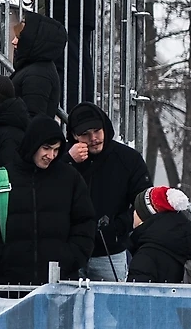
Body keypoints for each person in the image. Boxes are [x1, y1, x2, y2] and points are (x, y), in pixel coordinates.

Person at [0, 120, 98, 285]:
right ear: (32, 145)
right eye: (46, 148)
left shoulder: (69, 178)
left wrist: (71, 258)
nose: (51, 155)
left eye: (56, 150)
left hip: (59, 279)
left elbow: (85, 222)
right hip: (11, 282)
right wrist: (2, 259)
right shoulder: (2, 178)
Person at [65, 102, 151, 281]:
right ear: (74, 135)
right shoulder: (63, 158)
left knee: (112, 306)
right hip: (69, 251)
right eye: (85, 134)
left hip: (110, 251)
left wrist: (117, 229)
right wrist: (68, 160)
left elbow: (144, 202)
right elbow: (43, 187)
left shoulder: (127, 159)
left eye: (97, 130)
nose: (93, 138)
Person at [127, 187, 191, 284]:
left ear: (145, 215)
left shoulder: (145, 257)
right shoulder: (183, 249)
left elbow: (136, 297)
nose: (133, 213)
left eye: (136, 209)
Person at [10, 12, 68, 130]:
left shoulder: (38, 75)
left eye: (20, 37)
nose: (13, 41)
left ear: (34, 41)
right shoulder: (34, 69)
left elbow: (32, 120)